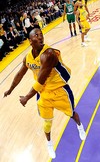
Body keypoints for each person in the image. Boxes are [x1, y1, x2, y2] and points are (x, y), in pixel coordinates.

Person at [3, 28, 86, 159]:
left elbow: (40, 80)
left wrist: (26, 98)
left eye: (41, 34)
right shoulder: (28, 58)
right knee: (47, 122)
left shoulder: (49, 54)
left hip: (60, 90)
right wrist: (10, 89)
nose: (40, 36)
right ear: (30, 41)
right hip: (43, 93)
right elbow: (20, 74)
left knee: (72, 113)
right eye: (36, 35)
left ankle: (80, 126)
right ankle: (49, 143)